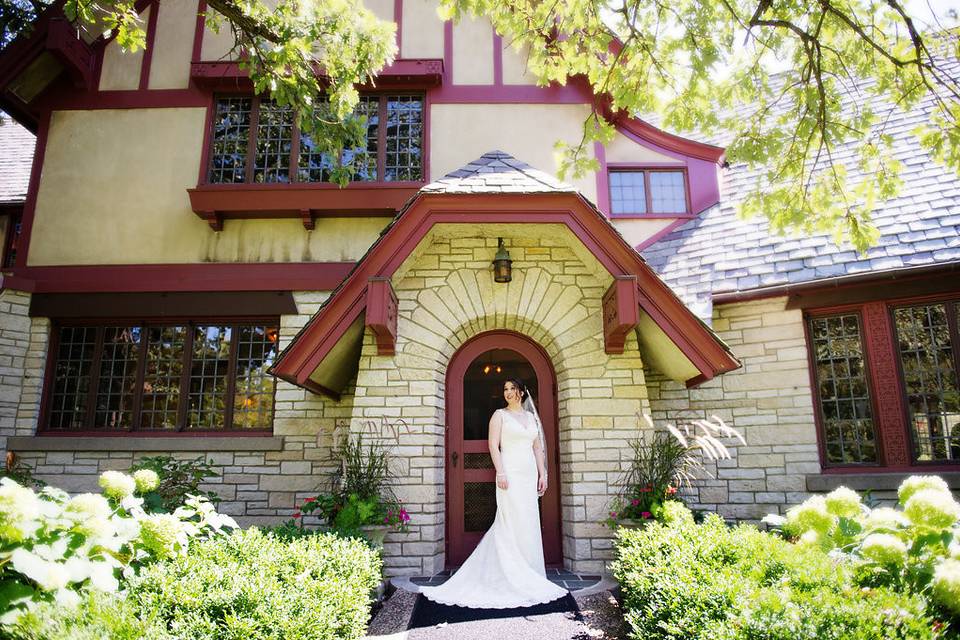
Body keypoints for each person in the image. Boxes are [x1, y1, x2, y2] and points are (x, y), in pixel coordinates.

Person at [419, 378, 568, 608]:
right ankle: (506, 572)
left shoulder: (530, 418)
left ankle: (530, 571)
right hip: (510, 472)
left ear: (521, 391)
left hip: (528, 474)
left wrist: (543, 474)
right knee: (509, 520)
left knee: (528, 520)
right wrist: (500, 472)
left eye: (512, 389)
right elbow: (493, 445)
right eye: (505, 389)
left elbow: (537, 447)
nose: (508, 392)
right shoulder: (499, 415)